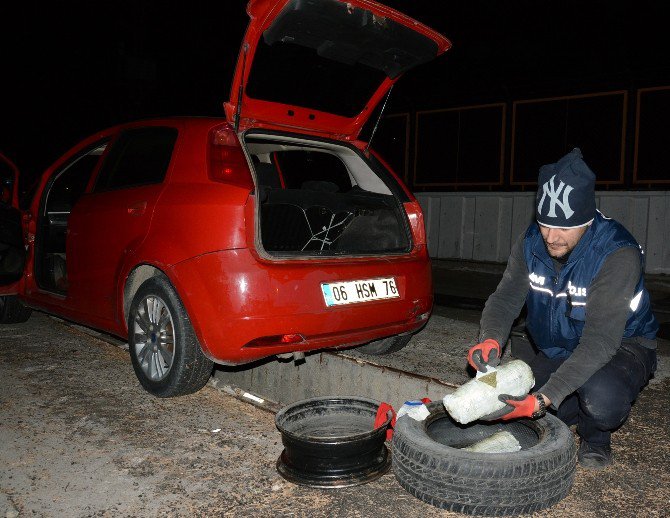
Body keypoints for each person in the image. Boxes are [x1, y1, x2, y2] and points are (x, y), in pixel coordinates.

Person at [467, 148, 658, 469]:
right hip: (563, 346)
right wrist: (491, 338)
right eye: (544, 224)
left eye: (564, 228)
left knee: (599, 398)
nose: (552, 237)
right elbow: (505, 298)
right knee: (506, 402)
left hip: (625, 344)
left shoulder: (616, 254)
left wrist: (544, 399)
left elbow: (600, 342)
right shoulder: (531, 242)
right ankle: (568, 406)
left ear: (586, 221)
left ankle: (596, 436)